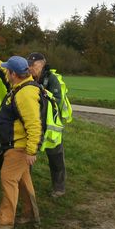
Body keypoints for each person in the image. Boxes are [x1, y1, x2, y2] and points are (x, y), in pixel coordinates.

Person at [0, 55, 41, 229]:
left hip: (19, 147)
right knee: (23, 180)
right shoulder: (19, 85)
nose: (6, 72)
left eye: (8, 71)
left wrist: (31, 150)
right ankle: (30, 213)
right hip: (16, 145)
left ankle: (5, 222)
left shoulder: (25, 94)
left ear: (14, 74)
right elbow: (4, 68)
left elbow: (34, 124)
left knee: (7, 178)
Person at [26, 52, 66, 197]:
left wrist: (41, 94)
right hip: (34, 123)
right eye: (29, 64)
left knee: (55, 157)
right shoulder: (28, 78)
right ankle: (26, 187)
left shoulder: (52, 79)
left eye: (33, 65)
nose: (30, 67)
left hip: (50, 126)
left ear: (42, 64)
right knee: (28, 155)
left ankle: (59, 188)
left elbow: (57, 100)